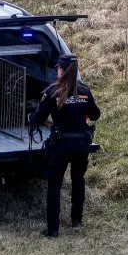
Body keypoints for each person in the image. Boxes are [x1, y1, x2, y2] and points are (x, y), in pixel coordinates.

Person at [29, 54, 101, 238]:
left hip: (61, 145)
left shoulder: (53, 92)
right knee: (78, 180)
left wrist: (31, 117)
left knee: (54, 185)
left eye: (58, 68)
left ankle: (53, 229)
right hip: (81, 144)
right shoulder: (85, 91)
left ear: (61, 70)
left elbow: (38, 118)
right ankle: (76, 220)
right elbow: (95, 115)